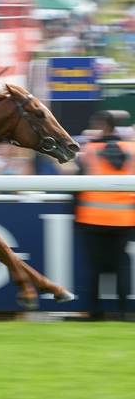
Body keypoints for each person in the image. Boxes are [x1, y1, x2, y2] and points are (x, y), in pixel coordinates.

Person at [74, 110, 135, 321]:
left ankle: (95, 313)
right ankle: (125, 313)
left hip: (92, 218)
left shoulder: (89, 150)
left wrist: (75, 216)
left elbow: (75, 186)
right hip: (124, 219)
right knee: (119, 267)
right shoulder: (131, 149)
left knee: (95, 269)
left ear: (101, 126)